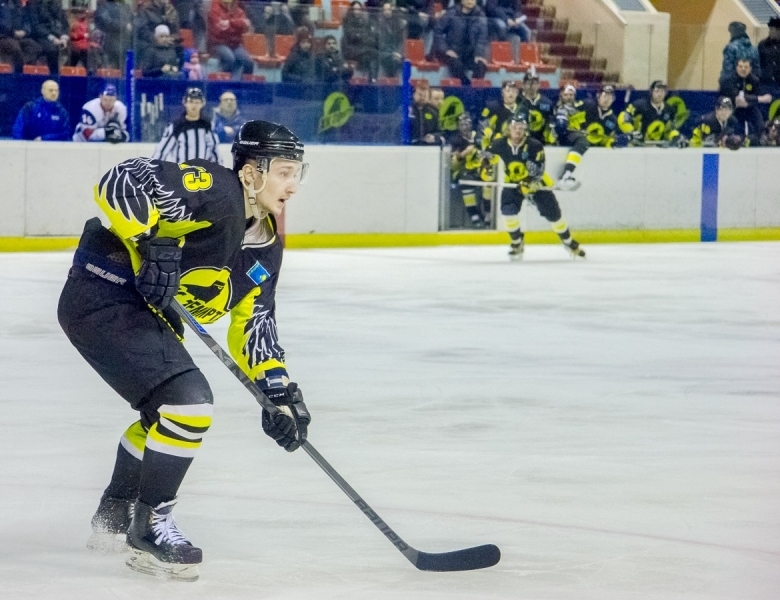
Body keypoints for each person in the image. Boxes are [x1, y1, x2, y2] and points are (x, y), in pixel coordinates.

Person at [57, 120, 310, 582]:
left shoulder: (265, 249)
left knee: (166, 416)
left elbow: (255, 321)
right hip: (104, 291)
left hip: (143, 313)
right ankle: (150, 528)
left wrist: (277, 389)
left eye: (298, 174)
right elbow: (122, 179)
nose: (293, 186)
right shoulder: (216, 188)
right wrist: (150, 239)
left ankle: (116, 514)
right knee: (187, 403)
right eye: (284, 172)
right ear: (250, 173)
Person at [488, 113, 585, 260]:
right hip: (513, 183)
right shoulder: (499, 144)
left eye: (521, 127)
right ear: (508, 129)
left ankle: (568, 241)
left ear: (525, 129)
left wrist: (528, 181)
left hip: (537, 184)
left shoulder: (534, 145)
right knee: (508, 212)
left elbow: (538, 170)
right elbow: (488, 156)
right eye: (515, 127)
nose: (518, 130)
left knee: (554, 215)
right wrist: (485, 164)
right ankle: (517, 242)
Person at [557, 84, 623, 192]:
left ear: (613, 99)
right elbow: (566, 107)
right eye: (604, 96)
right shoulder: (587, 105)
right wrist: (562, 117)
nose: (606, 99)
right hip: (570, 134)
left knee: (584, 142)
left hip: (586, 144)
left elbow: (608, 138)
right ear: (598, 96)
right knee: (583, 141)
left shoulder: (612, 119)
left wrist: (613, 142)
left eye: (609, 97)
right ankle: (566, 174)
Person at [153, 87, 222, 163]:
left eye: (197, 102)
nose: (194, 105)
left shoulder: (207, 126)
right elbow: (161, 152)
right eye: (191, 102)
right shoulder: (176, 127)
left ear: (202, 104)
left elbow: (215, 152)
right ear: (185, 103)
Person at [433, 0, 489, 85]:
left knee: (481, 65)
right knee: (455, 64)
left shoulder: (480, 16)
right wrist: (446, 50)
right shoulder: (451, 13)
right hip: (453, 51)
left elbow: (482, 38)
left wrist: (479, 54)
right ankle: (465, 86)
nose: (470, 1)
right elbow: (438, 31)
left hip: (470, 53)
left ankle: (475, 89)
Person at [617, 81, 687, 147]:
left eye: (662, 91)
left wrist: (676, 137)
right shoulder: (639, 105)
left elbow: (670, 129)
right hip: (638, 146)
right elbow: (624, 117)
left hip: (659, 147)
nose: (660, 94)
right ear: (651, 92)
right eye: (657, 91)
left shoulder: (669, 109)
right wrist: (630, 132)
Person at [719, 58, 772, 145]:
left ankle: (761, 138)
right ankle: (728, 139)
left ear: (750, 68)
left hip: (749, 107)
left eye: (746, 67)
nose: (743, 69)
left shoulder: (754, 80)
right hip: (732, 107)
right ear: (736, 68)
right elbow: (736, 95)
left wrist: (747, 103)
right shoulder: (729, 80)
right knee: (734, 122)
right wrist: (760, 98)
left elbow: (756, 95)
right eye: (740, 67)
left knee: (758, 119)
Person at [448, 112, 487, 228]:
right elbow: (453, 165)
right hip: (463, 170)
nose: (465, 126)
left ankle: (488, 213)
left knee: (489, 180)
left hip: (480, 169)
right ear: (458, 125)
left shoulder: (479, 136)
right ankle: (474, 214)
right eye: (462, 124)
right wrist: (463, 154)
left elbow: (488, 152)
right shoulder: (454, 140)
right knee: (466, 182)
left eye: (467, 123)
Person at [207, 0, 253, 80]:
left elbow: (245, 26)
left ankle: (243, 83)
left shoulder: (239, 11)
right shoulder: (214, 9)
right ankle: (222, 81)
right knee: (229, 58)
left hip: (235, 44)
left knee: (249, 62)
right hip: (218, 44)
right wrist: (237, 26)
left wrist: (230, 23)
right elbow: (219, 30)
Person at [28, 0, 69, 75]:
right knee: (52, 49)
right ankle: (54, 76)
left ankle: (65, 78)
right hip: (42, 36)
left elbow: (65, 24)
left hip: (59, 36)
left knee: (76, 50)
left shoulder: (56, 4)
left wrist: (64, 38)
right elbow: (36, 26)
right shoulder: (33, 4)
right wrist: (53, 38)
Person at [135, 0, 181, 66]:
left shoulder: (171, 10)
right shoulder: (145, 10)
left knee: (178, 51)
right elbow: (142, 30)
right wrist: (155, 39)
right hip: (150, 44)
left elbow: (176, 32)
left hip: (168, 45)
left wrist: (170, 38)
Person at [0, 0, 41, 74]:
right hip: (4, 36)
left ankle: (28, 73)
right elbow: (4, 24)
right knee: (16, 49)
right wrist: (12, 32)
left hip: (18, 35)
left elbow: (26, 20)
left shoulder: (17, 3)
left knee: (34, 47)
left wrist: (25, 31)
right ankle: (18, 74)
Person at [341, 1, 379, 81]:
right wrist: (361, 36)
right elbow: (352, 36)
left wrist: (361, 36)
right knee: (369, 53)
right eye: (354, 9)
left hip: (362, 48)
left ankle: (373, 78)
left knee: (374, 53)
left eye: (358, 9)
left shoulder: (364, 21)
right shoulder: (347, 21)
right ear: (351, 10)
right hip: (351, 48)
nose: (356, 12)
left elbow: (368, 35)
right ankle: (371, 78)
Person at [518, 69, 556, 145]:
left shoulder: (547, 103)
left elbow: (551, 124)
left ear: (539, 85)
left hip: (541, 141)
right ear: (523, 85)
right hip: (521, 142)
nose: (531, 86)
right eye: (529, 83)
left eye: (534, 83)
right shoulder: (517, 101)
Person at [94, 0, 134, 70]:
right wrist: (124, 26)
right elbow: (106, 22)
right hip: (110, 47)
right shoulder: (104, 7)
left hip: (125, 46)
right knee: (111, 71)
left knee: (125, 71)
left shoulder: (125, 7)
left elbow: (132, 21)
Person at [719, 21, 760, 88]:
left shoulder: (731, 48)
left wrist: (724, 83)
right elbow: (756, 69)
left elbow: (728, 69)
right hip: (750, 84)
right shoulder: (753, 49)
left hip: (733, 84)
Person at [375, 1, 404, 78]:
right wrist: (392, 53)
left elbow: (401, 41)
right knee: (391, 60)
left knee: (400, 60)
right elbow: (381, 43)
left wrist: (398, 52)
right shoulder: (379, 24)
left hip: (396, 52)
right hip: (384, 52)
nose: (387, 12)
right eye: (385, 10)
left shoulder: (398, 23)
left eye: (388, 9)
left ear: (392, 10)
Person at [758, 17, 780, 93]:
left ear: (778, 30)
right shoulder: (763, 45)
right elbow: (758, 62)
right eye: (770, 29)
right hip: (766, 83)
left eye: (772, 29)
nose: (770, 32)